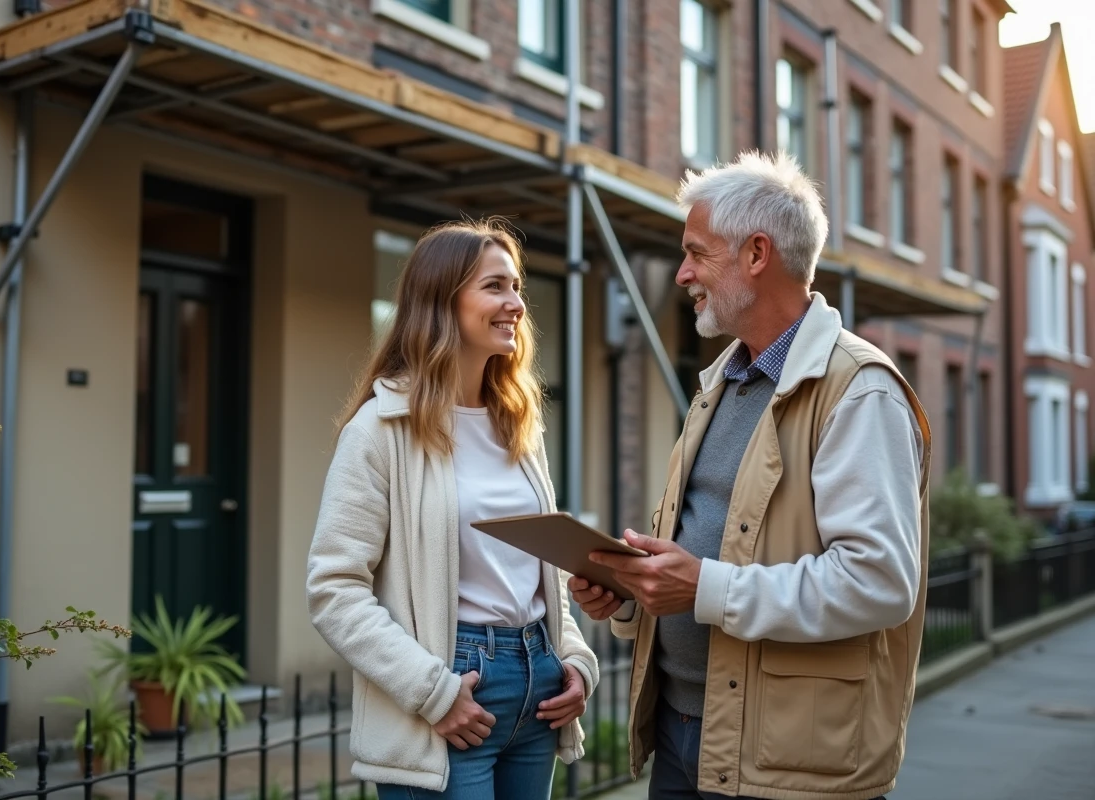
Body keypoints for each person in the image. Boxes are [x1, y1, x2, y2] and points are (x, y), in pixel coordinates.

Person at [570, 151, 929, 800]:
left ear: (756, 255)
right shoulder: (720, 383)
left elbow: (878, 582)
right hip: (685, 741)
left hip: (788, 765)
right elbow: (708, 549)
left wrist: (703, 587)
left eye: (696, 253)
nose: (682, 274)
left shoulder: (858, 390)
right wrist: (628, 594)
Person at [306, 219, 599, 800]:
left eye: (516, 287)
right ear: (442, 301)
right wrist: (432, 692)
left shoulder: (518, 425)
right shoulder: (380, 429)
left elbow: (541, 571)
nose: (516, 303)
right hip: (451, 688)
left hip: (537, 685)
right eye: (495, 287)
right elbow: (333, 589)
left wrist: (573, 658)